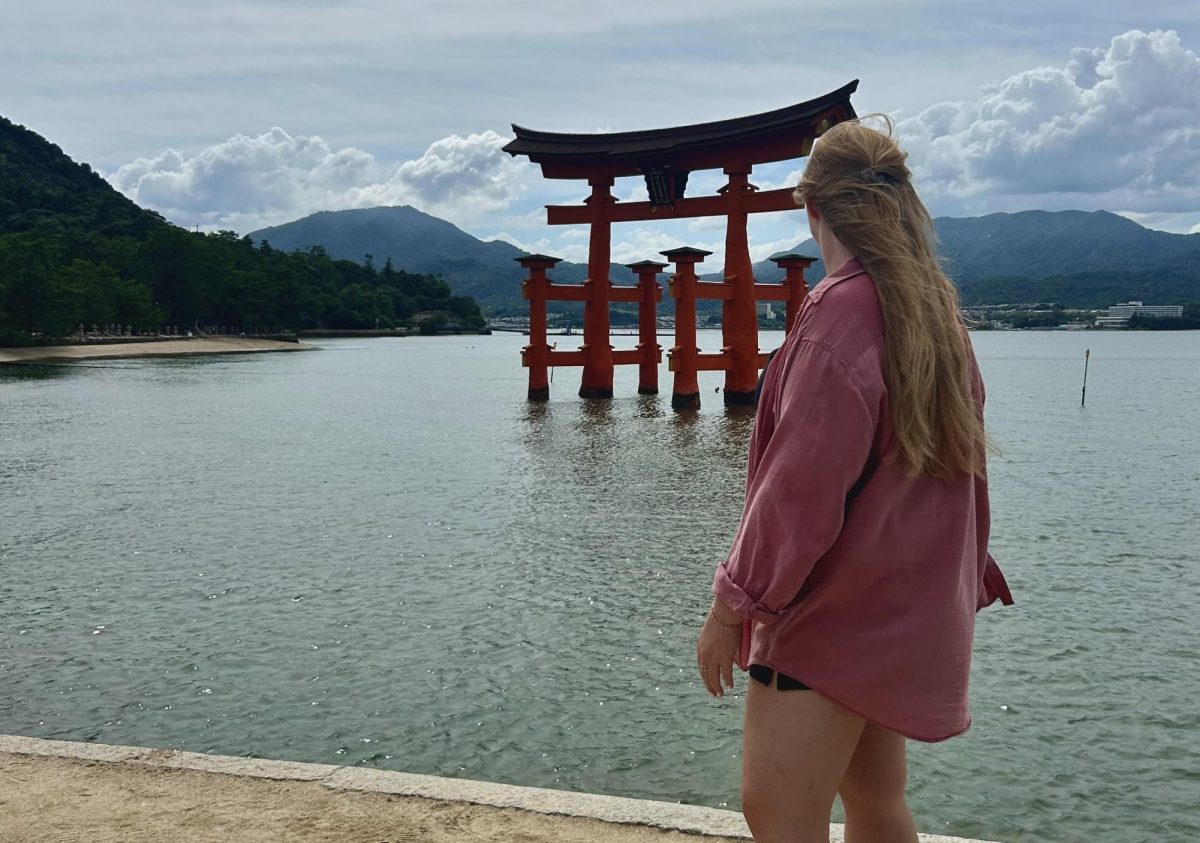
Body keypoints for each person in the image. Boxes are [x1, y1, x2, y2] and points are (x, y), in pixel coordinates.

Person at [695, 118, 1013, 843]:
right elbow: (961, 480)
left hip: (830, 618)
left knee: (776, 812)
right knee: (874, 799)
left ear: (813, 210)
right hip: (904, 610)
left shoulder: (839, 310)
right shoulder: (935, 308)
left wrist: (729, 609)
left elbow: (798, 497)